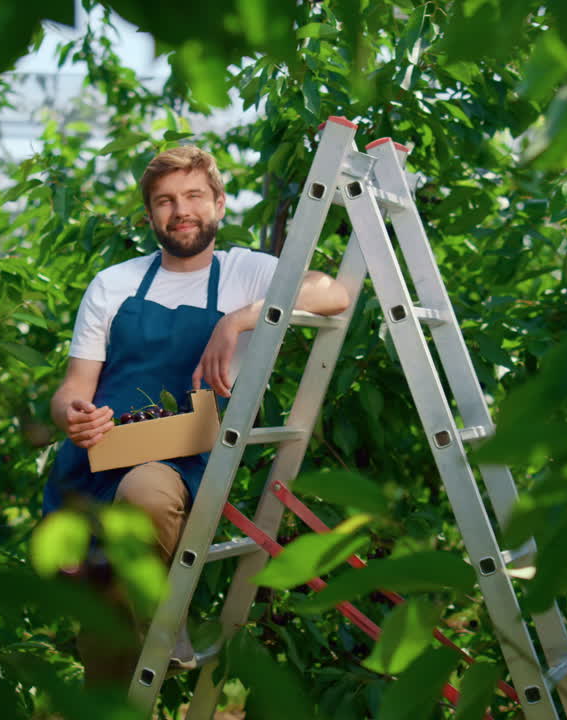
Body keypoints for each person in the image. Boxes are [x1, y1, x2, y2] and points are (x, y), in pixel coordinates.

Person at [45, 145, 349, 685]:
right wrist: (74, 415)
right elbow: (73, 387)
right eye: (164, 201)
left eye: (192, 196)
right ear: (150, 216)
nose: (180, 210)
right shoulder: (114, 284)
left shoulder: (246, 273)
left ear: (219, 204)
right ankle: (149, 629)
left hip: (180, 456)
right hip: (96, 462)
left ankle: (164, 620)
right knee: (105, 654)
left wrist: (237, 320)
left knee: (147, 496)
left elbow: (332, 291)